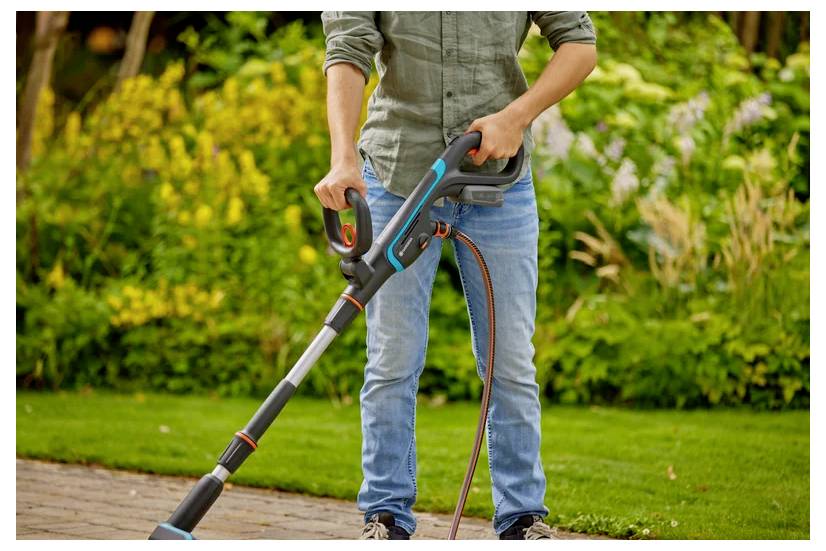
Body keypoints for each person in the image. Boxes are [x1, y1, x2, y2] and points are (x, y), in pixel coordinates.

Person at [316, 12, 597, 540]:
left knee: (509, 360)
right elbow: (348, 50)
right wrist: (342, 156)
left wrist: (516, 116)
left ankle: (522, 518)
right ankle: (386, 517)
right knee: (392, 357)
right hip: (399, 176)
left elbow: (580, 45)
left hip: (497, 183)